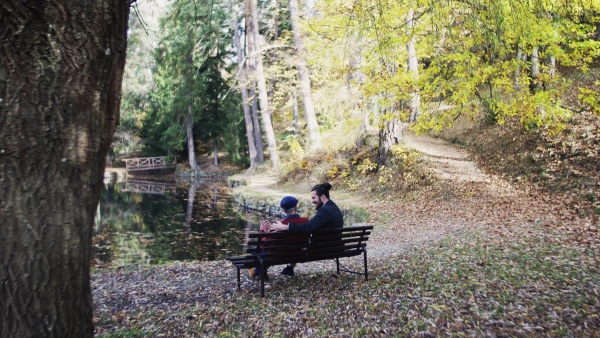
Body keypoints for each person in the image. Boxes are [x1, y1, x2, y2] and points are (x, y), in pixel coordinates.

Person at [270, 182, 344, 276]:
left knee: (297, 243)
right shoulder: (333, 207)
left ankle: (288, 269)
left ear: (323, 197)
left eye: (314, 198)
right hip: (335, 246)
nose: (312, 201)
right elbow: (311, 225)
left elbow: (309, 227)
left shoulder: (325, 211)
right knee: (300, 240)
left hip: (325, 249)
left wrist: (285, 227)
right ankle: (289, 269)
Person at [248, 196, 310, 279]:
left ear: (283, 210)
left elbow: (263, 246)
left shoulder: (277, 226)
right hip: (296, 254)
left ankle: (259, 272)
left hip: (276, 256)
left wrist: (263, 231)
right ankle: (259, 271)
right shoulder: (305, 222)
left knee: (255, 250)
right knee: (263, 251)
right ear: (296, 207)